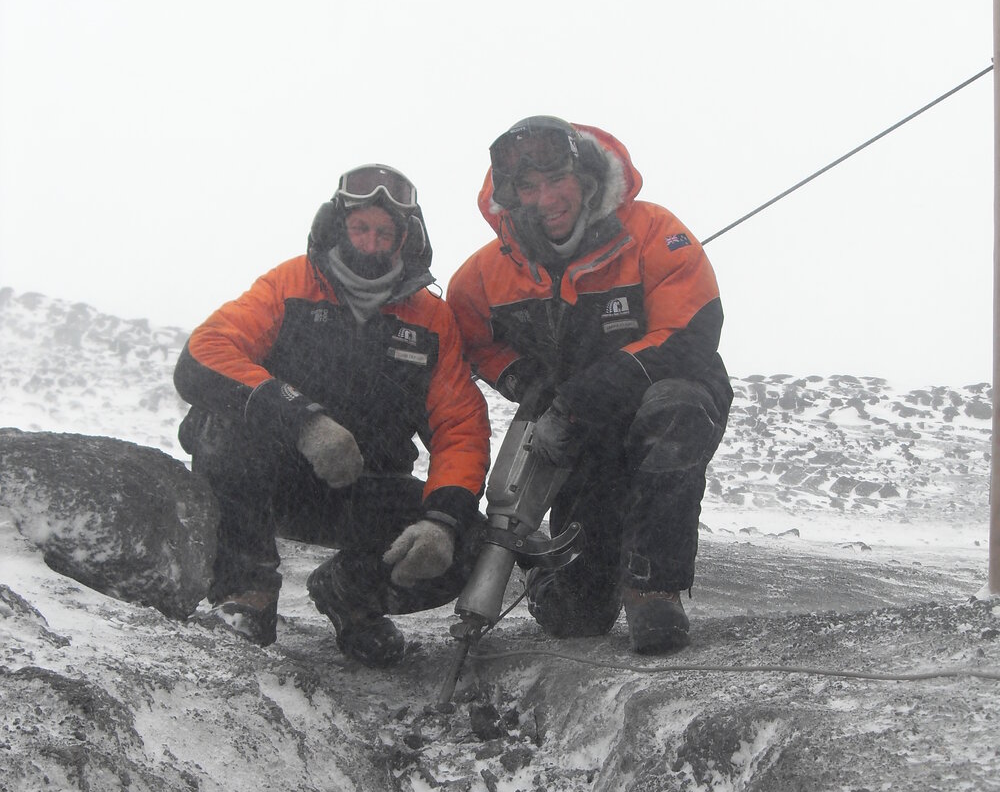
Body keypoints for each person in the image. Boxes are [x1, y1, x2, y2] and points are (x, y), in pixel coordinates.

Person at [174, 164, 490, 665]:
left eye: (384, 232)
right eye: (360, 227)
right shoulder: (290, 284)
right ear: (336, 226)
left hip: (362, 494)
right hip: (269, 478)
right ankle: (245, 595)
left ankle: (352, 595)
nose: (370, 242)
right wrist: (305, 422)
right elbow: (204, 355)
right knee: (221, 419)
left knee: (469, 538)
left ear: (406, 238)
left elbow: (460, 430)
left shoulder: (432, 320)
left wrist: (443, 522)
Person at [446, 117, 733, 653]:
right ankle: (565, 588)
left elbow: (690, 336)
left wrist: (578, 397)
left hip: (657, 404)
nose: (545, 198)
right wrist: (526, 381)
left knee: (676, 408)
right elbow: (469, 336)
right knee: (572, 620)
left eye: (557, 180)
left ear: (587, 178)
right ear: (511, 198)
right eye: (528, 188)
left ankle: (653, 591)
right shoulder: (485, 274)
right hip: (579, 439)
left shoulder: (653, 233)